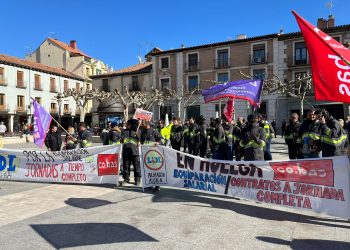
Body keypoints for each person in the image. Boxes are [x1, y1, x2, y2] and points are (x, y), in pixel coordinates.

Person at [141, 121, 163, 192]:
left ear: (148, 125)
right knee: (148, 170)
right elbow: (142, 142)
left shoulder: (154, 132)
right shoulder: (143, 132)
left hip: (154, 154)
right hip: (146, 154)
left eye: (143, 124)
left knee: (155, 170)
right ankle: (149, 185)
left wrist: (158, 142)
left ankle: (157, 186)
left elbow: (162, 140)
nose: (142, 125)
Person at [120, 119, 141, 186]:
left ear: (132, 125)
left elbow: (140, 140)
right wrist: (122, 139)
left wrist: (137, 135)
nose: (126, 125)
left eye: (128, 124)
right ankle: (126, 179)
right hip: (126, 151)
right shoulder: (124, 131)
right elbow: (121, 141)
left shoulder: (138, 131)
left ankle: (137, 179)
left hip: (135, 152)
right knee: (126, 166)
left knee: (136, 167)